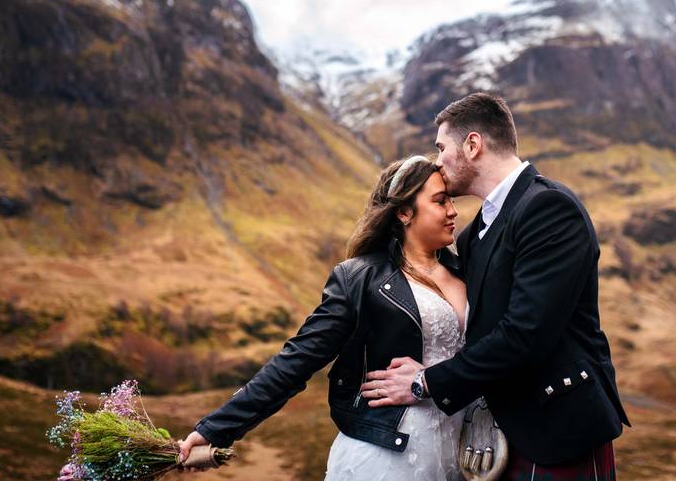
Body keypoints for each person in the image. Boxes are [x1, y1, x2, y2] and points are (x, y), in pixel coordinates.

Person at [361, 93, 630, 480]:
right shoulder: (474, 235)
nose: (438, 160)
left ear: (472, 145)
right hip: (499, 438)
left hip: (558, 431)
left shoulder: (549, 208)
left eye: (441, 147)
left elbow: (526, 333)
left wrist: (425, 383)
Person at [178, 155, 471, 480]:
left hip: (463, 455)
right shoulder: (359, 280)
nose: (452, 211)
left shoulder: (468, 270)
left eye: (451, 200)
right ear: (404, 212)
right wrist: (215, 429)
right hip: (388, 457)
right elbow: (296, 360)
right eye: (440, 201)